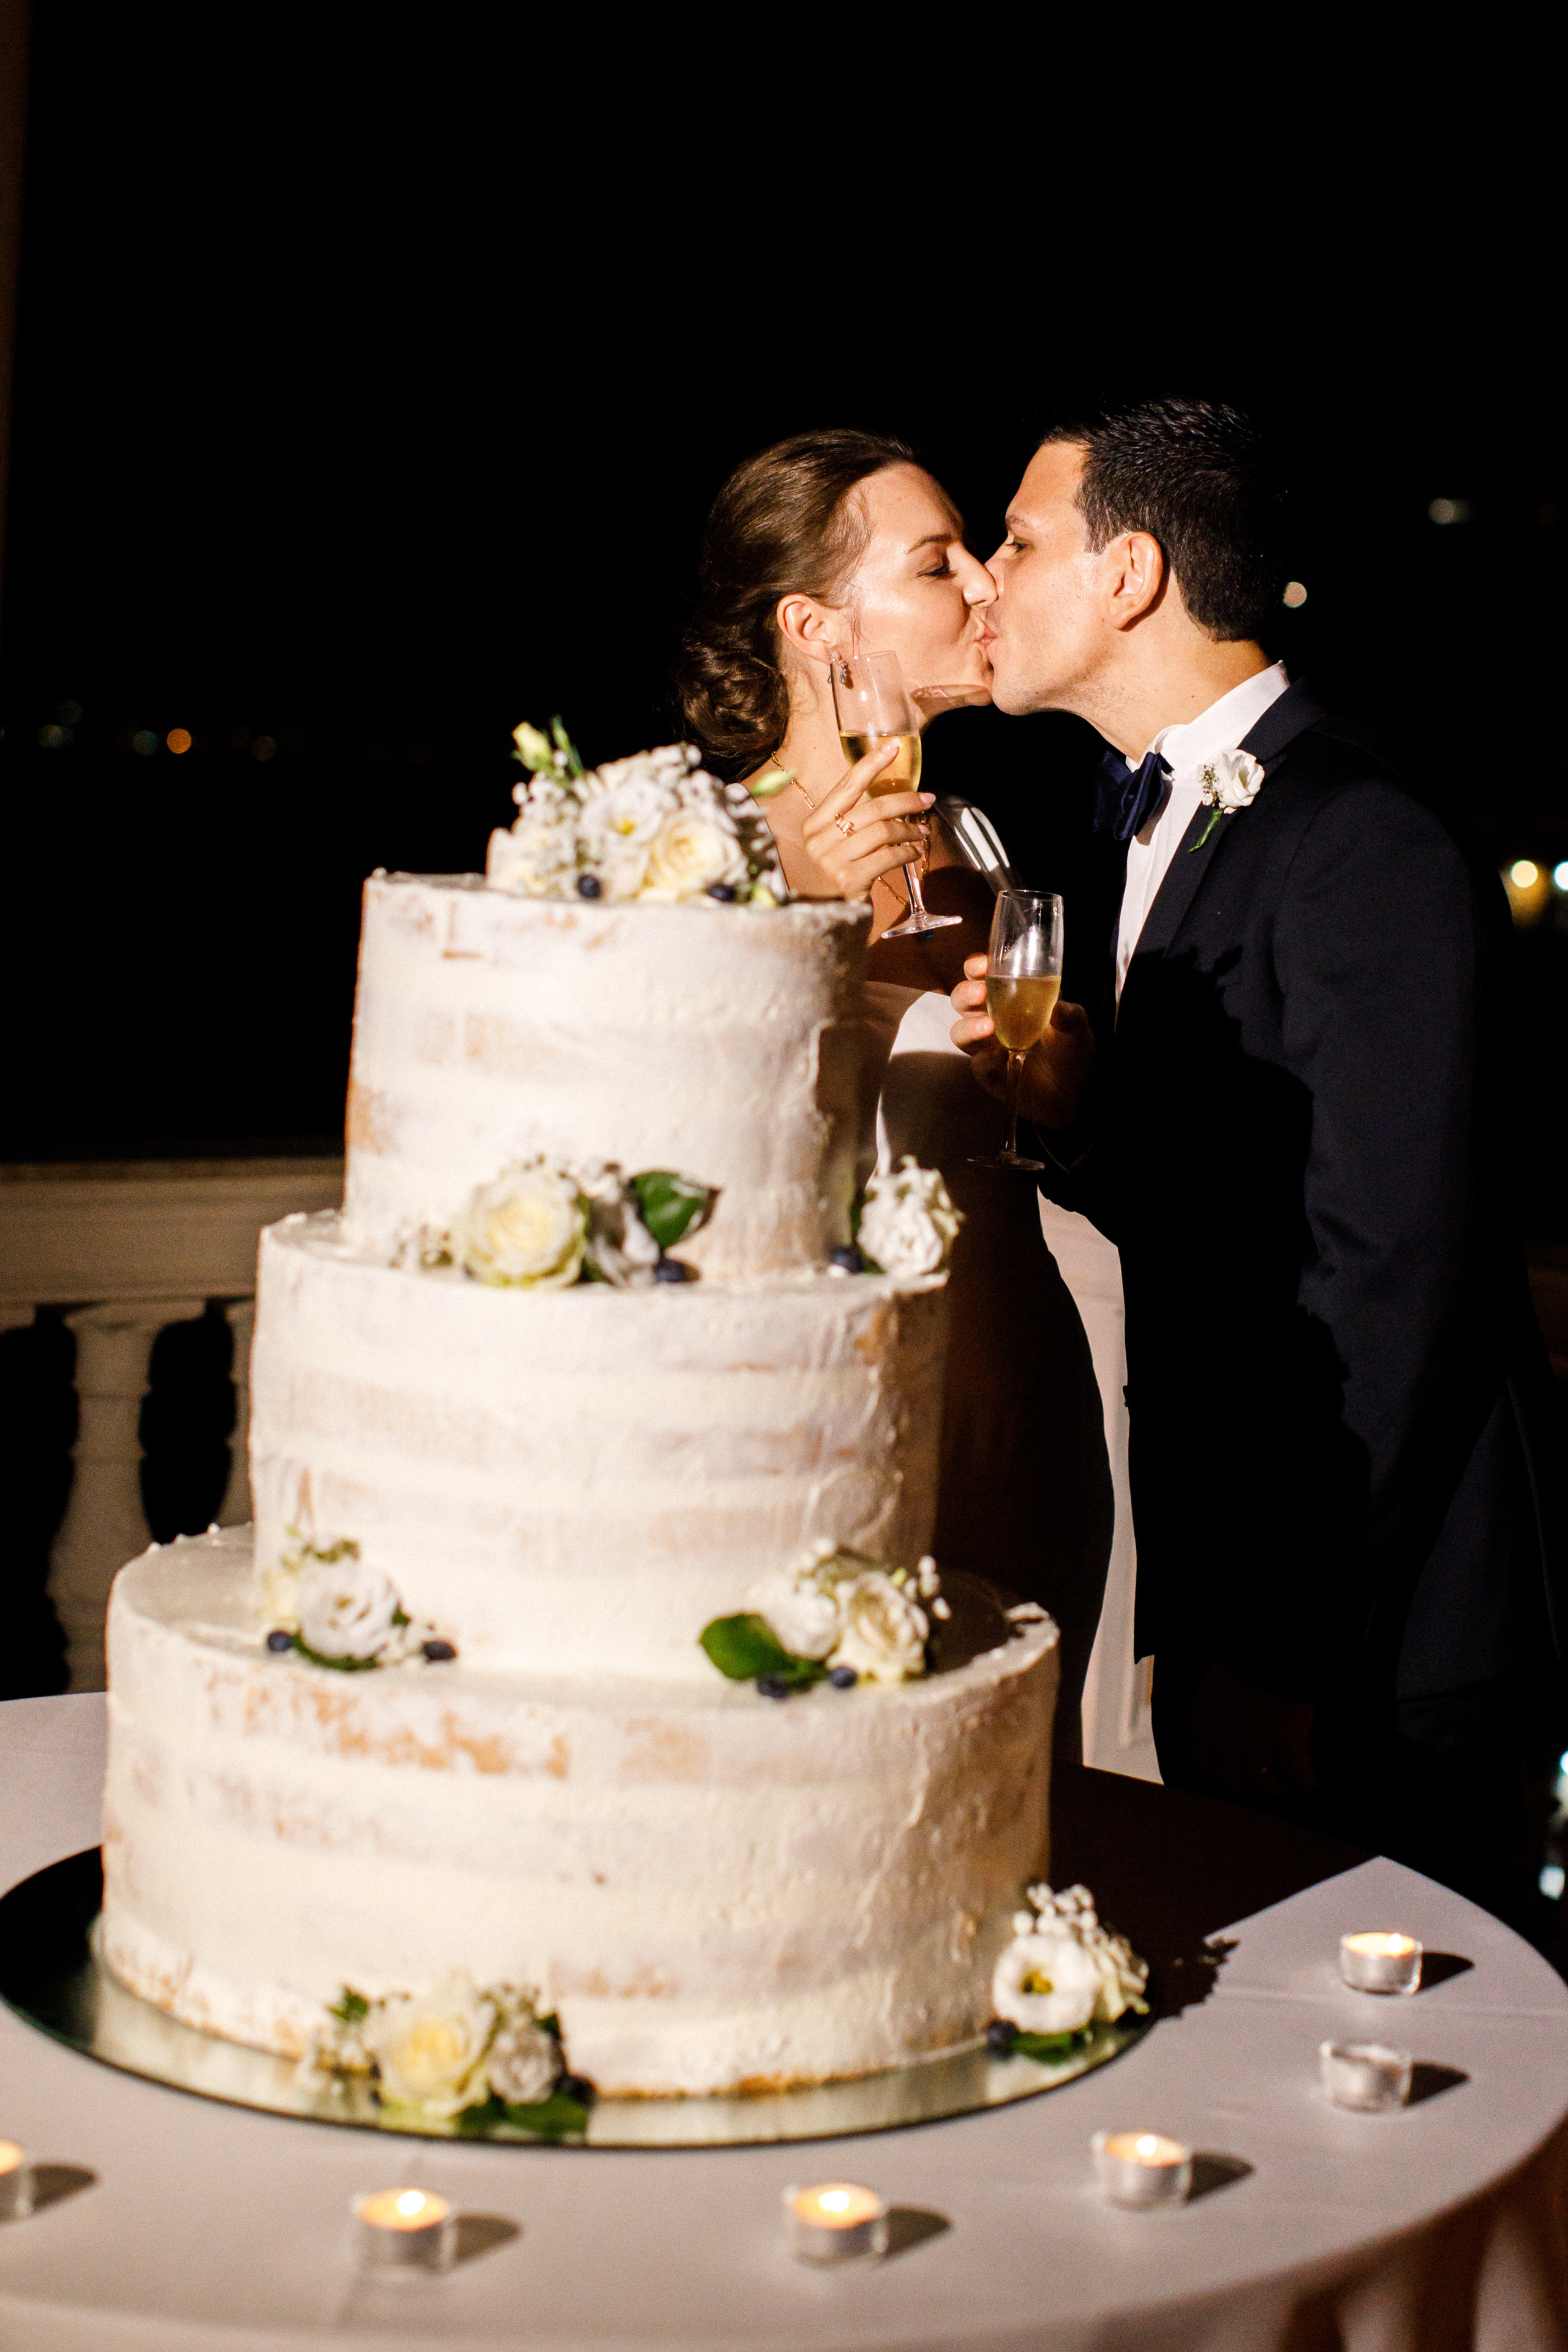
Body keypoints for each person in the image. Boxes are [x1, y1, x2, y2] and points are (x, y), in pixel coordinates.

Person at [950, 397, 1565, 1929]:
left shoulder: (1361, 832)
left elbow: (1387, 1273)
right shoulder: (1130, 831)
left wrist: (1288, 1652)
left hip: (1383, 1631)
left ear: (1129, 575)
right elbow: (1229, 1206)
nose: (983, 578)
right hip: (1228, 1591)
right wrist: (1083, 1116)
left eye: (1018, 541)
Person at [676, 430, 1112, 1752]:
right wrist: (797, 907)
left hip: (1022, 1390)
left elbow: (1054, 1131)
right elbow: (667, 1145)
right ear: (815, 626)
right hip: (823, 1416)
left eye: (978, 550)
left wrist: (1063, 1083)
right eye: (936, 564)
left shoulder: (972, 845)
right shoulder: (702, 856)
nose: (985, 582)